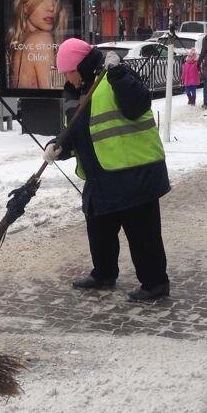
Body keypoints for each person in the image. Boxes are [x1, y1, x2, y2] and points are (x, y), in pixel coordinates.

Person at [46, 38, 171, 302]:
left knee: (142, 233)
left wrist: (120, 74)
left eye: (67, 71)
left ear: (80, 66)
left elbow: (139, 104)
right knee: (98, 225)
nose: (65, 78)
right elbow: (78, 130)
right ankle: (103, 273)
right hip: (101, 174)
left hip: (134, 172)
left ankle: (155, 283)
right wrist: (58, 147)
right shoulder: (74, 91)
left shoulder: (113, 76)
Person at [6, 0, 68, 89]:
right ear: (25, 5)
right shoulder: (41, 39)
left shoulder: (23, 41)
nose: (51, 7)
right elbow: (55, 93)